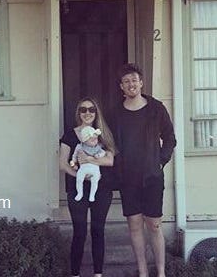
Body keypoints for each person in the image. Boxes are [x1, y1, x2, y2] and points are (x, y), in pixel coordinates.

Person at [110, 63, 176, 277]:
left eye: (134, 80)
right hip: (128, 178)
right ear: (121, 86)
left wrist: (161, 161)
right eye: (126, 81)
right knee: (135, 225)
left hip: (152, 177)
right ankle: (142, 272)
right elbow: (109, 143)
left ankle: (161, 272)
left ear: (141, 83)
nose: (131, 84)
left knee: (154, 225)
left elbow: (170, 138)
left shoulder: (156, 108)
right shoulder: (116, 113)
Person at [59, 97, 117, 277]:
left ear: (96, 112)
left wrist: (91, 160)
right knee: (80, 231)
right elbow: (63, 164)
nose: (87, 113)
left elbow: (110, 160)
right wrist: (80, 177)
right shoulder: (70, 135)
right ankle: (75, 274)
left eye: (91, 109)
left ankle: (98, 274)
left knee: (98, 230)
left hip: (102, 189)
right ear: (79, 113)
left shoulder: (104, 134)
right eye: (83, 110)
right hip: (77, 190)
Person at [72, 126, 106, 202]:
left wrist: (99, 155)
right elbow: (74, 156)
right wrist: (73, 164)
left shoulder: (97, 147)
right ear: (85, 140)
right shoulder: (80, 147)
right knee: (79, 178)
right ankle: (80, 193)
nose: (95, 141)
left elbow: (103, 152)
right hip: (83, 167)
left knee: (95, 180)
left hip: (95, 167)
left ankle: (92, 195)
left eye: (96, 139)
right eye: (92, 139)